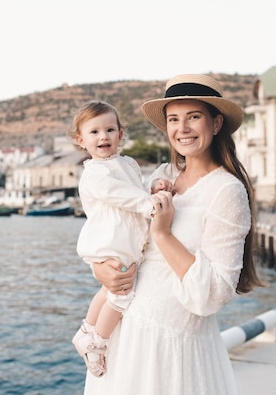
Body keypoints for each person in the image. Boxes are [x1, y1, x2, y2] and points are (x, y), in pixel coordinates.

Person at [85, 74, 265, 395]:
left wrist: (165, 235)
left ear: (216, 123)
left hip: (171, 353)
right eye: (173, 119)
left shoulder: (226, 190)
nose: (182, 128)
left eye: (193, 117)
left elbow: (213, 295)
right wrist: (101, 269)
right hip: (125, 339)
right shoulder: (162, 176)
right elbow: (122, 234)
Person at [67, 100, 173, 378]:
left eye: (110, 130)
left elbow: (134, 189)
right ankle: (98, 342)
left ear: (120, 135)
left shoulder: (127, 162)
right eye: (94, 132)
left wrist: (153, 186)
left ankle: (86, 330)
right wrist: (149, 202)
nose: (103, 136)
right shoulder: (94, 173)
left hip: (128, 239)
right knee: (122, 294)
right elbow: (119, 194)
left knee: (109, 291)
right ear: (81, 140)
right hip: (110, 240)